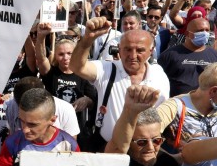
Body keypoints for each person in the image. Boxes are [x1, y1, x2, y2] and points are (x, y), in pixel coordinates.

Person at [70, 19, 170, 147]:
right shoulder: (107, 69)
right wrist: (87, 40)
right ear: (119, 49)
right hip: (109, 148)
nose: (132, 56)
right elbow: (76, 66)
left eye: (139, 50)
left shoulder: (158, 75)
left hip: (145, 150)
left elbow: (162, 113)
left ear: (151, 51)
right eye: (127, 49)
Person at [157, 17, 217, 96]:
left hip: (203, 104)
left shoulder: (215, 56)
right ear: (187, 34)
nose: (204, 33)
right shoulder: (169, 55)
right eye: (199, 31)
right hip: (177, 104)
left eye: (207, 30)